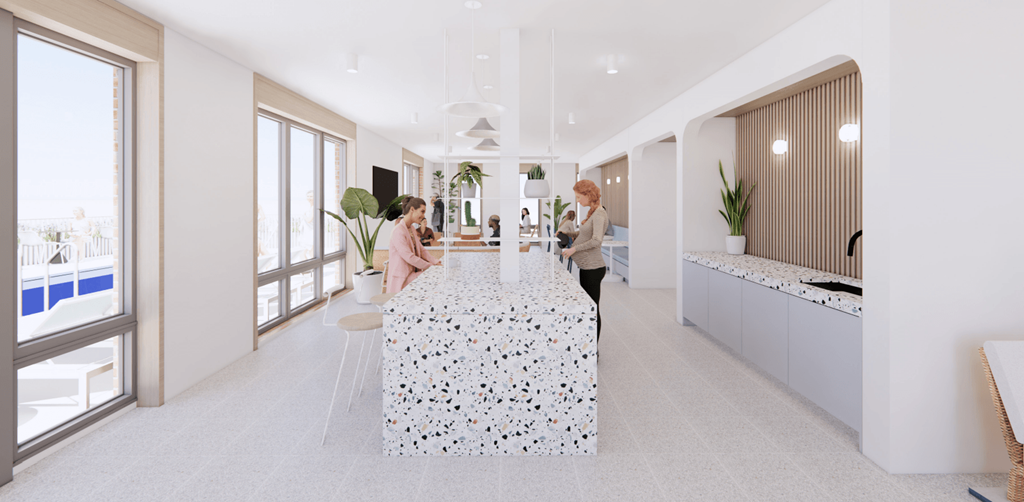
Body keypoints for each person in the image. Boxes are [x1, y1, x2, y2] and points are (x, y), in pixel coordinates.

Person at [560, 180, 609, 351]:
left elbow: (596, 240)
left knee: (592, 309)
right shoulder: (593, 212)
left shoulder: (600, 214)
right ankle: (588, 345)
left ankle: (593, 351)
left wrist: (574, 249)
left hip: (593, 268)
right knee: (589, 307)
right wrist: (568, 234)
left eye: (579, 197)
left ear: (588, 195)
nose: (578, 201)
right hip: (587, 267)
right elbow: (584, 234)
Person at [387, 197, 440, 292]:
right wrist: (429, 266)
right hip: (403, 278)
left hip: (412, 274)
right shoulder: (398, 231)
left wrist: (436, 261)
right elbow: (409, 257)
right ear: (412, 209)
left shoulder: (412, 229)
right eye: (422, 211)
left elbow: (422, 250)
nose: (423, 216)